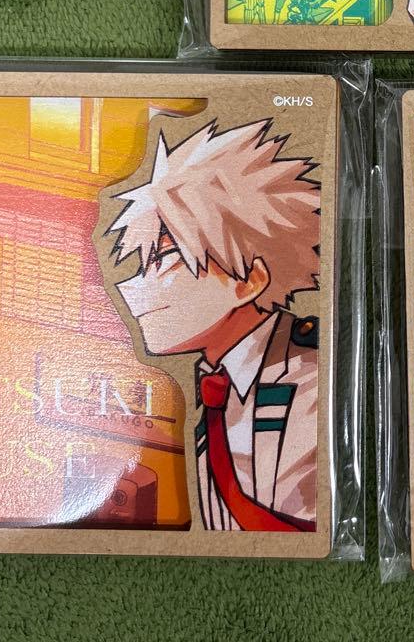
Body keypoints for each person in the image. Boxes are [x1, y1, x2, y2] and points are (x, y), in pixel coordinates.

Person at [102, 120, 320, 532]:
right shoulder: (215, 387)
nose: (133, 287)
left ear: (248, 281)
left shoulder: (307, 383)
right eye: (144, 264)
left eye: (165, 260)